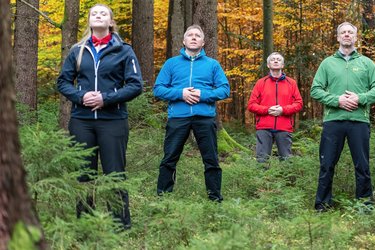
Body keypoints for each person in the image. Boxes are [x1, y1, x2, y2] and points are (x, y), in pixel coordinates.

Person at [57, 4, 143, 229]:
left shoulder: (124, 50)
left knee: (114, 173)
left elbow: (135, 85)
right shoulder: (78, 50)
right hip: (81, 121)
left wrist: (105, 98)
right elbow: (63, 82)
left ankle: (120, 225)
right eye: (94, 13)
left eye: (103, 13)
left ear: (111, 22)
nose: (98, 15)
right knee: (83, 173)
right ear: (89, 21)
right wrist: (81, 96)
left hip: (113, 121)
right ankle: (85, 222)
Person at [310, 22, 375, 212]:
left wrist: (360, 98)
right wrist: (337, 101)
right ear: (337, 37)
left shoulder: (366, 63)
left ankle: (365, 206)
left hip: (359, 121)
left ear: (355, 37)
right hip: (333, 121)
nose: (346, 35)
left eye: (350, 32)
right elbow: (315, 90)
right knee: (327, 164)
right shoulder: (327, 63)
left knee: (362, 165)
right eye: (343, 32)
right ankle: (322, 206)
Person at [154, 25, 230, 202]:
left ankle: (215, 199)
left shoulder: (212, 64)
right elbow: (158, 89)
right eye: (190, 35)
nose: (194, 38)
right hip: (178, 118)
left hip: (204, 117)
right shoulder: (171, 64)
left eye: (197, 36)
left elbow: (224, 90)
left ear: (203, 42)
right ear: (184, 40)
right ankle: (163, 198)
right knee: (169, 158)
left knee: (211, 160)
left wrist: (203, 95)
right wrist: (181, 94)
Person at [247, 52, 303, 163]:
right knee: (262, 160)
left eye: (278, 59)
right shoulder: (260, 83)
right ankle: (261, 180)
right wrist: (267, 110)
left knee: (286, 160)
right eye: (273, 59)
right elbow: (251, 105)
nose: (276, 61)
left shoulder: (291, 83)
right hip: (264, 127)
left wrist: (283, 110)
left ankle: (287, 181)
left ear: (282, 65)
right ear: (268, 65)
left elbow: (299, 103)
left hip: (284, 127)